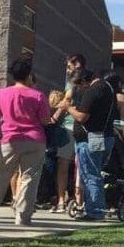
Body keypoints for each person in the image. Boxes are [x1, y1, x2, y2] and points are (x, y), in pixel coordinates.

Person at [0, 56, 49, 226]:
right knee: (29, 178)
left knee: (0, 177)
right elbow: (45, 120)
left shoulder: (2, 93)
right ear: (29, 75)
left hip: (9, 138)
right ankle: (23, 217)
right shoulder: (38, 95)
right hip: (34, 139)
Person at [63, 67, 117, 221]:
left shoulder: (93, 90)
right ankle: (95, 208)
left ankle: (95, 211)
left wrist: (68, 108)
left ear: (85, 80)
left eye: (79, 84)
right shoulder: (107, 87)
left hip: (89, 139)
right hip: (104, 136)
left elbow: (81, 116)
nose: (78, 88)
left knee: (90, 175)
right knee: (95, 173)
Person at [49, 54, 86, 212]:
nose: (68, 69)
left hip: (75, 126)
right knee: (70, 164)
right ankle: (69, 199)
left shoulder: (78, 81)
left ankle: (70, 199)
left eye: (70, 66)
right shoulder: (72, 81)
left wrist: (55, 115)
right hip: (73, 127)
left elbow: (67, 100)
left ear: (78, 65)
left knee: (71, 164)